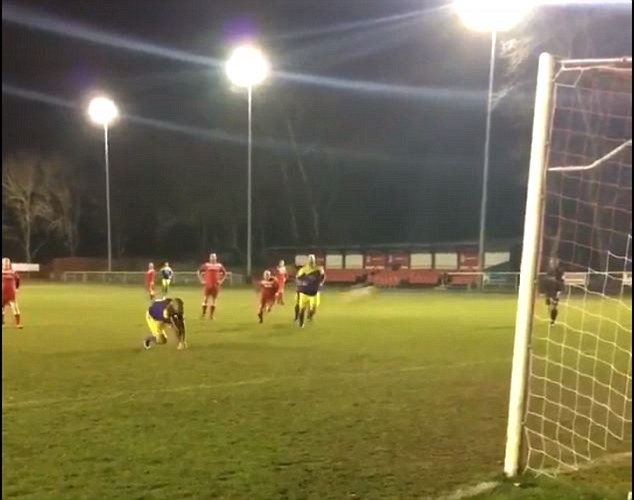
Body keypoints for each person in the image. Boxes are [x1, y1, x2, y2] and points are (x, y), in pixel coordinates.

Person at [294, 254, 326, 327]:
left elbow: (323, 276)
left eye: (312, 260)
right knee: (302, 308)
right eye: (310, 260)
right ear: (308, 261)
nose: (311, 261)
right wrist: (302, 283)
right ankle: (301, 324)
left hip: (315, 291)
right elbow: (298, 278)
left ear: (314, 260)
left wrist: (321, 282)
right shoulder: (303, 269)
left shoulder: (318, 269)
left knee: (314, 308)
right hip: (304, 292)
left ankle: (310, 315)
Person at [198, 253, 227, 319]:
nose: (213, 258)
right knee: (205, 299)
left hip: (215, 285)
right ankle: (203, 314)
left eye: (214, 257)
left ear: (216, 258)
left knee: (214, 300)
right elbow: (198, 272)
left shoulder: (219, 265)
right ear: (209, 258)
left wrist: (221, 281)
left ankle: (211, 316)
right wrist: (202, 280)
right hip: (208, 285)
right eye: (212, 257)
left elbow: (225, 273)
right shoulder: (206, 265)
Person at [2, 258, 22, 329]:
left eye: (7, 263)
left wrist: (16, 288)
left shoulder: (13, 272)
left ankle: (18, 324)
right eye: (5, 263)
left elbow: (18, 280)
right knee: (2, 309)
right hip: (2, 294)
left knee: (15, 308)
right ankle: (2, 323)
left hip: (11, 294)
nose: (6, 264)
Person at [544, 257, 565, 326]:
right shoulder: (548, 270)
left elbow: (562, 281)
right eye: (551, 262)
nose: (551, 263)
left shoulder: (559, 271)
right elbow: (546, 280)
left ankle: (553, 321)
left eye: (553, 262)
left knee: (554, 306)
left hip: (555, 291)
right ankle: (551, 318)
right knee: (549, 306)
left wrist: (560, 291)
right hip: (548, 291)